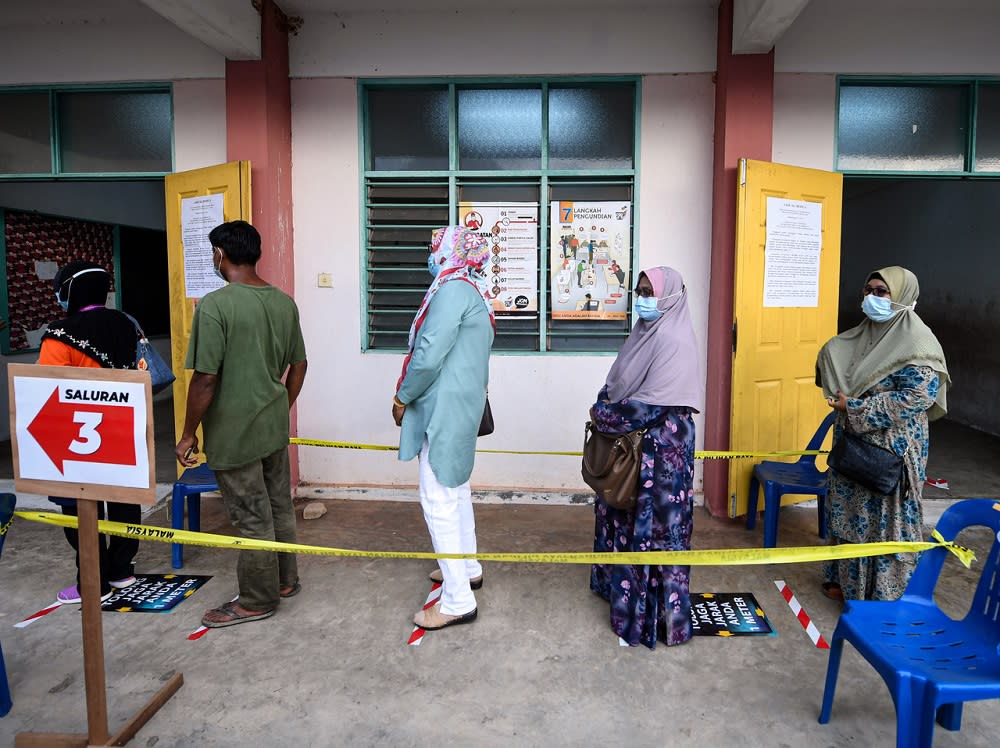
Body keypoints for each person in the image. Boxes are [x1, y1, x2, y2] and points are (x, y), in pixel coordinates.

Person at [175, 221, 308, 628]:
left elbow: (205, 378)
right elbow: (299, 365)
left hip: (235, 431)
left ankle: (255, 600)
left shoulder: (216, 306)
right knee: (278, 505)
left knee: (251, 516)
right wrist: (279, 406)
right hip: (271, 426)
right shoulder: (284, 302)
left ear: (220, 254)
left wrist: (187, 433)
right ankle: (285, 581)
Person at [816, 266, 949, 601]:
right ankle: (845, 583)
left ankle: (883, 594)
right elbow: (834, 362)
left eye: (882, 292)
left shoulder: (918, 344)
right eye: (868, 290)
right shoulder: (861, 337)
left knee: (885, 518)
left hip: (893, 449)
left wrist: (856, 407)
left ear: (902, 298)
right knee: (848, 512)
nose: (872, 298)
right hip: (853, 446)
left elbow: (918, 397)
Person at [590, 267, 703, 649]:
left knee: (653, 530)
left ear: (671, 297)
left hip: (661, 454)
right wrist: (607, 401)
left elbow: (645, 407)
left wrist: (602, 412)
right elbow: (616, 384)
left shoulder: (673, 341)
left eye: (650, 293)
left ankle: (650, 616)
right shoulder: (643, 333)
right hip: (635, 448)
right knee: (621, 510)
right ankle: (620, 593)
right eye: (639, 291)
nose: (643, 299)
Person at [393, 225, 493, 631]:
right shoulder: (472, 291)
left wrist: (402, 397)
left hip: (442, 410)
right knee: (455, 489)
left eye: (435, 249)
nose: (431, 256)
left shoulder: (451, 291)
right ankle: (467, 567)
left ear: (450, 252)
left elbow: (429, 353)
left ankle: (456, 600)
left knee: (437, 497)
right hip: (461, 407)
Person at [39, 261, 142, 604]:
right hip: (123, 426)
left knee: (81, 506)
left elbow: (47, 388)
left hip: (78, 434)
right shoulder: (127, 323)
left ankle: (92, 582)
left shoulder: (59, 332)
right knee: (124, 500)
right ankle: (122, 570)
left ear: (69, 291)